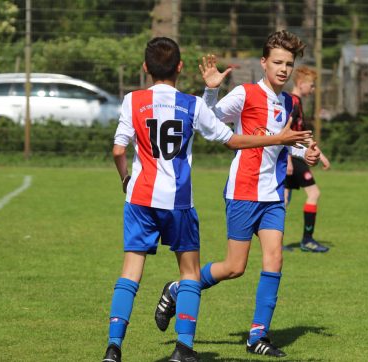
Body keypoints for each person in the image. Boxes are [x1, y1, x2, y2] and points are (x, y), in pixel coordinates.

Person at [102, 37, 313, 362]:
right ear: (263, 62)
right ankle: (178, 301)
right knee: (233, 267)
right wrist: (212, 90)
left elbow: (280, 142)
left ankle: (257, 335)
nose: (284, 69)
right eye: (278, 62)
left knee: (275, 260)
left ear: (145, 68)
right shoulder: (243, 93)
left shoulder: (287, 103)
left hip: (270, 192)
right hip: (241, 191)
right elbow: (210, 120)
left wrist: (301, 150)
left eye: (289, 64)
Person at [284, 66, 331, 252]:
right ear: (301, 84)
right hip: (293, 157)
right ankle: (307, 240)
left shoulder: (295, 101)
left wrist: (322, 155)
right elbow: (284, 132)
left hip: (291, 155)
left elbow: (303, 135)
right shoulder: (293, 102)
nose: (313, 89)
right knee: (314, 193)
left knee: (283, 199)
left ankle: (274, 242)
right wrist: (287, 158)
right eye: (311, 86)